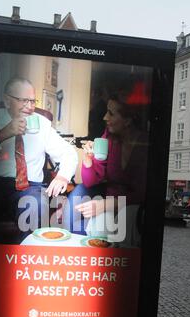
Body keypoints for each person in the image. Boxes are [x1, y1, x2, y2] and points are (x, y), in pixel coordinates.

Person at [0, 77, 78, 241]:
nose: (30, 107)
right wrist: (5, 133)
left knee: (37, 204)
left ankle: (26, 255)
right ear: (7, 100)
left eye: (32, 101)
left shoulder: (42, 124)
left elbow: (68, 153)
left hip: (29, 186)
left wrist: (62, 176)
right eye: (24, 101)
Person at [63, 89, 149, 245]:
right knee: (81, 201)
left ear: (127, 120)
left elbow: (142, 193)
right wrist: (88, 160)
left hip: (131, 205)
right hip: (108, 199)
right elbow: (90, 182)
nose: (104, 117)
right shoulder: (107, 138)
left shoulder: (144, 145)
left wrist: (106, 205)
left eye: (111, 113)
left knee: (127, 217)